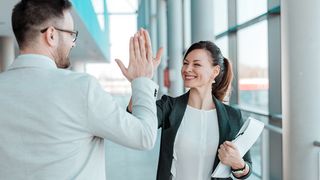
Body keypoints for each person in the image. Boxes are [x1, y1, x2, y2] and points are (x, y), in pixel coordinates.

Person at [0, 0, 161, 179]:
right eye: (71, 34)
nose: (73, 43)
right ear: (51, 35)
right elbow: (144, 136)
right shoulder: (81, 88)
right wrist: (142, 81)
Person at [126, 41, 252, 180]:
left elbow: (245, 168)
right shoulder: (169, 107)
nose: (187, 69)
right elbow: (136, 121)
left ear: (215, 72)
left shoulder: (232, 116)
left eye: (196, 64)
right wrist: (140, 81)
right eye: (185, 63)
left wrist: (238, 164)